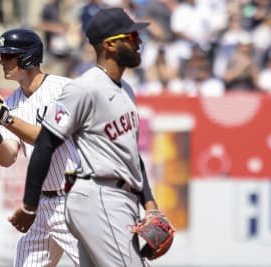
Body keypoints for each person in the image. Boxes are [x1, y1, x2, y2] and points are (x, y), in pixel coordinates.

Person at [9, 8, 163, 267]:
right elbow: (46, 143)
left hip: (119, 196)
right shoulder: (82, 89)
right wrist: (29, 206)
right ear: (110, 45)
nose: (139, 43)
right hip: (96, 195)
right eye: (132, 37)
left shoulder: (125, 89)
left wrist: (150, 204)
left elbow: (131, 155)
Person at [0, 28, 80, 267]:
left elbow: (48, 139)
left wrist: (6, 120)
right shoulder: (11, 102)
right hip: (42, 205)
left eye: (8, 55)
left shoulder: (64, 89)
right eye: (1, 55)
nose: (1, 61)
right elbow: (7, 157)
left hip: (76, 201)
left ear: (28, 57)